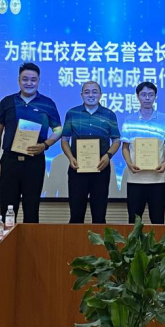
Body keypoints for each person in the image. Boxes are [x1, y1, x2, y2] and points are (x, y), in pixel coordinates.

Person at [0, 62, 62, 223]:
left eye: (33, 79)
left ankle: (31, 240)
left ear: (38, 81)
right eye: (25, 79)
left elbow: (58, 130)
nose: (29, 83)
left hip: (34, 162)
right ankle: (8, 239)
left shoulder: (47, 103)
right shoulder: (7, 102)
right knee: (7, 210)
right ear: (18, 80)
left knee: (32, 209)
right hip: (9, 161)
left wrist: (45, 145)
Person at [61, 81, 121, 224]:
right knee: (76, 215)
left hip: (101, 169)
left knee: (99, 215)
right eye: (87, 92)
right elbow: (64, 140)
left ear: (100, 95)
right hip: (77, 168)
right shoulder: (72, 113)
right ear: (81, 95)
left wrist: (108, 156)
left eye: (94, 92)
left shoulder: (109, 114)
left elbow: (116, 140)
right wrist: (70, 157)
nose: (91, 95)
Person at [121, 82, 165, 224]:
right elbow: (125, 147)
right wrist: (129, 164)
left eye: (151, 95)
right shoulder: (129, 120)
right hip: (135, 178)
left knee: (158, 220)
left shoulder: (164, 119)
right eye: (143, 95)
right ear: (138, 96)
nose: (147, 98)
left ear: (155, 97)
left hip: (157, 179)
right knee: (134, 221)